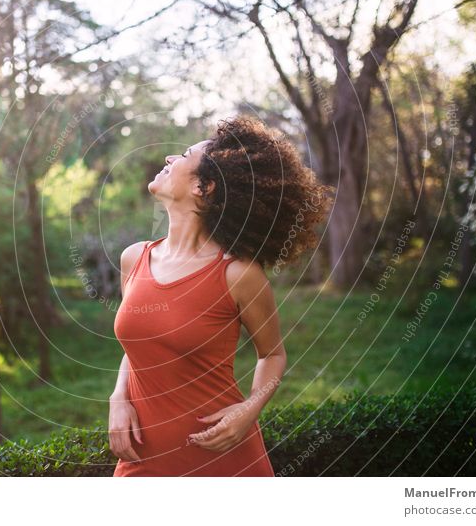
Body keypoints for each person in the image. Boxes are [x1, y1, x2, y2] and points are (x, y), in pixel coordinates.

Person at [109, 116, 333, 476]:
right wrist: (118, 396)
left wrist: (250, 408)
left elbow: (272, 354)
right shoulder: (134, 258)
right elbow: (137, 347)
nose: (169, 158)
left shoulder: (238, 274)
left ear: (204, 187)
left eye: (183, 155)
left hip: (223, 458)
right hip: (143, 459)